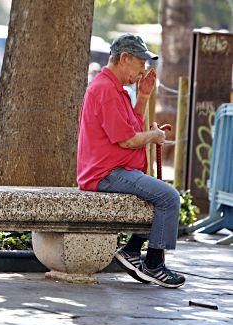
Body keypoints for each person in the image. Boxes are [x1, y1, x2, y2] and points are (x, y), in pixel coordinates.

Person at [77, 34, 185, 288]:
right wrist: (154, 136)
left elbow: (132, 127)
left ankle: (132, 250)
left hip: (115, 169)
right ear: (124, 58)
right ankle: (154, 264)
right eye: (140, 63)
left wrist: (144, 96)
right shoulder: (105, 89)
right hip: (106, 172)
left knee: (157, 197)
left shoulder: (116, 89)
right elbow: (127, 140)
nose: (143, 70)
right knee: (169, 197)